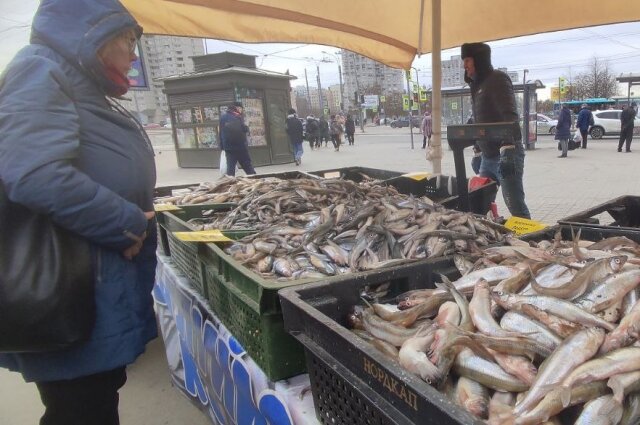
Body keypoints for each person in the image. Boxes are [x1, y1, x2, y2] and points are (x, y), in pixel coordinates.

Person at [0, 1, 158, 424]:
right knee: (81, 410)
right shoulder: (40, 69)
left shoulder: (76, 79)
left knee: (92, 402)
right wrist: (126, 223)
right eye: (128, 40)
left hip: (98, 284)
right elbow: (34, 173)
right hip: (72, 289)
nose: (133, 53)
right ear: (97, 35)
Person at [462, 42, 531, 219]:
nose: (465, 65)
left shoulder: (498, 79)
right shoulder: (476, 86)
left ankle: (530, 240)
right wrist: (477, 148)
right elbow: (481, 120)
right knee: (480, 203)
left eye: (468, 60)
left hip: (506, 153)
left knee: (514, 204)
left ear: (479, 60)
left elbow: (510, 116)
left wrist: (508, 147)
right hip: (487, 157)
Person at [220, 101, 256, 176]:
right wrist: (246, 128)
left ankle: (230, 184)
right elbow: (240, 130)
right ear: (238, 108)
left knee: (230, 168)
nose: (241, 110)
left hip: (228, 148)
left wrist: (222, 147)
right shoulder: (237, 116)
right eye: (241, 108)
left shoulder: (223, 117)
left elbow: (221, 132)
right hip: (240, 147)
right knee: (247, 166)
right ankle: (256, 179)